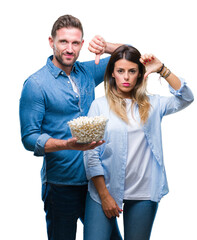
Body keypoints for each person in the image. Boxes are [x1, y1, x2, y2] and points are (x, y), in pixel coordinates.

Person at [19, 14, 123, 240]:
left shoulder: (87, 71)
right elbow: (29, 138)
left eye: (75, 43)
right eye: (63, 41)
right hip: (60, 185)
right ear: (51, 42)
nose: (69, 48)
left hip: (94, 184)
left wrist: (106, 47)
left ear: (82, 45)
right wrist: (67, 144)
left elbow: (131, 56)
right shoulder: (36, 84)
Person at [83, 45, 194, 240]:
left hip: (143, 191)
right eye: (120, 71)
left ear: (140, 74)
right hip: (104, 188)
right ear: (112, 74)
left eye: (132, 71)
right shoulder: (98, 105)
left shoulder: (154, 104)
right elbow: (90, 154)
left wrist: (162, 69)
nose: (126, 77)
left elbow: (186, 98)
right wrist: (105, 195)